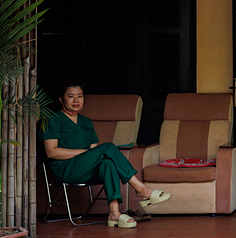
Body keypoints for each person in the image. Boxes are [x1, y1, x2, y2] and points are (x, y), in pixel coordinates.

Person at [43, 83, 172, 228]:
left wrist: (91, 154)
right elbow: (51, 152)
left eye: (80, 96)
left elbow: (95, 154)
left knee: (107, 163)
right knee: (108, 147)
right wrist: (87, 153)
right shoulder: (52, 119)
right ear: (61, 99)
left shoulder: (86, 121)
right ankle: (140, 188)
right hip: (65, 170)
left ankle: (114, 213)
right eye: (71, 97)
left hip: (85, 170)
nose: (76, 101)